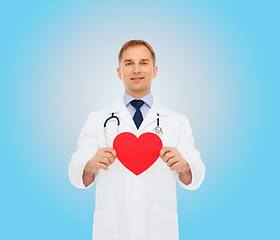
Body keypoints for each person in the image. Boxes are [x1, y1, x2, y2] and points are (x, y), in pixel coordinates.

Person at [69, 40, 205, 240]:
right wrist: (90, 166)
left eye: (143, 62)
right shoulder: (97, 119)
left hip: (159, 230)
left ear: (155, 70)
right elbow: (75, 173)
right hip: (112, 230)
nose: (136, 69)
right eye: (129, 63)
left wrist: (184, 167)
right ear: (119, 71)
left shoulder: (177, 121)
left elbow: (196, 176)